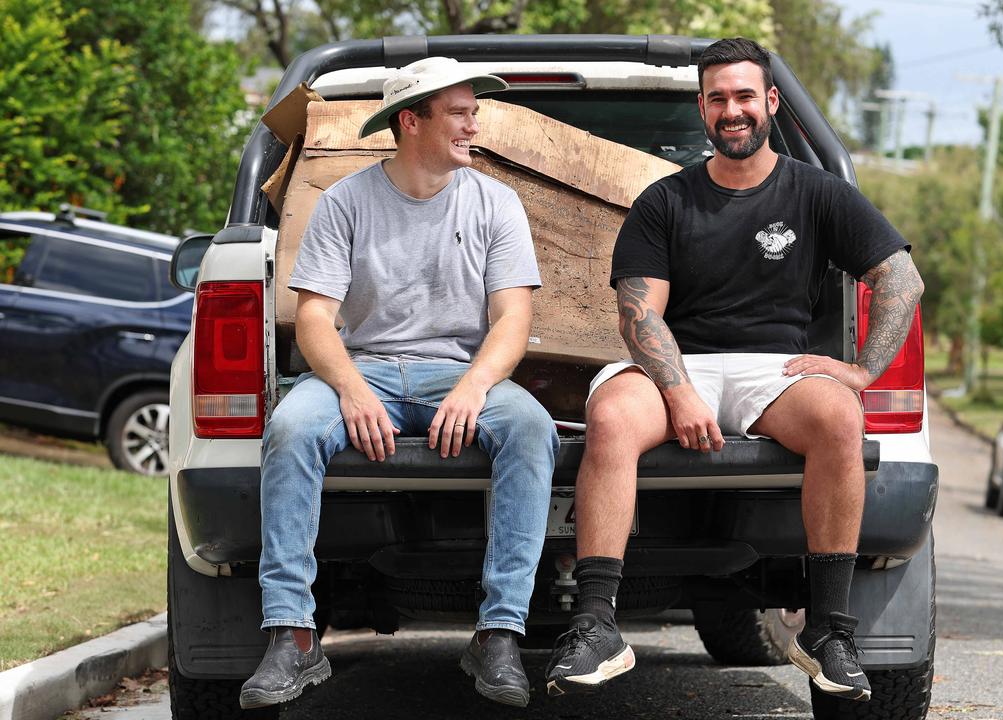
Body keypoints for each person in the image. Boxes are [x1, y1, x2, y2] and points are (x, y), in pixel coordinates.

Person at [544, 38, 924, 703]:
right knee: (609, 416)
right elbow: (640, 317)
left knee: (840, 414)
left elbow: (900, 278)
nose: (733, 110)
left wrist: (861, 372)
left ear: (770, 102)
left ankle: (828, 631)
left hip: (771, 372)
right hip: (678, 365)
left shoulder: (817, 193)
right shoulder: (665, 202)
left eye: (745, 96)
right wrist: (679, 389)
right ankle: (596, 623)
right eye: (718, 98)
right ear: (702, 109)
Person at [238, 57, 557, 710]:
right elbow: (316, 322)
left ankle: (498, 633)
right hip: (367, 371)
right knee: (293, 427)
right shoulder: (345, 203)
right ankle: (293, 635)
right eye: (460, 114)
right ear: (411, 121)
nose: (475, 125)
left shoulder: (497, 203)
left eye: (476, 112)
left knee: (529, 426)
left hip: (460, 376)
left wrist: (474, 387)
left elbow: (513, 317)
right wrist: (352, 391)